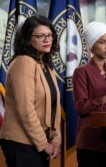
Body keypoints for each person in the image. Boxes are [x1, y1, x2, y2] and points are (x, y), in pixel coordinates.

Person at [0, 15, 61, 167]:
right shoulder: (24, 62)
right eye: (40, 36)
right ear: (27, 39)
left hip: (39, 141)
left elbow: (54, 108)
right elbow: (26, 110)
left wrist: (56, 139)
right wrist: (43, 144)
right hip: (21, 142)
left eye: (49, 35)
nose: (47, 40)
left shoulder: (45, 65)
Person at [72, 21, 106, 167]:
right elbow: (81, 107)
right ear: (91, 45)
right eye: (102, 42)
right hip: (92, 141)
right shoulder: (81, 72)